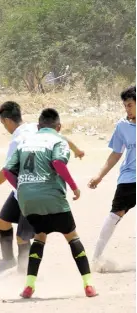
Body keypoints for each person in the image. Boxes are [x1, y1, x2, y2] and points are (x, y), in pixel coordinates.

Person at [0, 101, 85, 275]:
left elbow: (7, 171)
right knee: (2, 221)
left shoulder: (17, 140)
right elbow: (61, 137)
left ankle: (23, 270)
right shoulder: (36, 126)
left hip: (29, 190)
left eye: (3, 124)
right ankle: (8, 261)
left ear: (6, 121)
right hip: (20, 188)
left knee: (22, 237)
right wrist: (77, 150)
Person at [3, 108, 96, 298]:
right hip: (51, 196)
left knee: (39, 236)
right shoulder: (58, 140)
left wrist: (21, 188)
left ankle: (29, 286)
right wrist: (74, 187)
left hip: (27, 199)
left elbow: (7, 171)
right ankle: (88, 285)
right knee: (72, 237)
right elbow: (58, 163)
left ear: (38, 126)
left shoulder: (25, 141)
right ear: (58, 127)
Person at [88, 86, 136, 270]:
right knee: (115, 214)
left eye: (130, 105)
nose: (127, 109)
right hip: (129, 178)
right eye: (125, 106)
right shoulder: (122, 126)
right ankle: (96, 257)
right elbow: (116, 154)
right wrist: (99, 176)